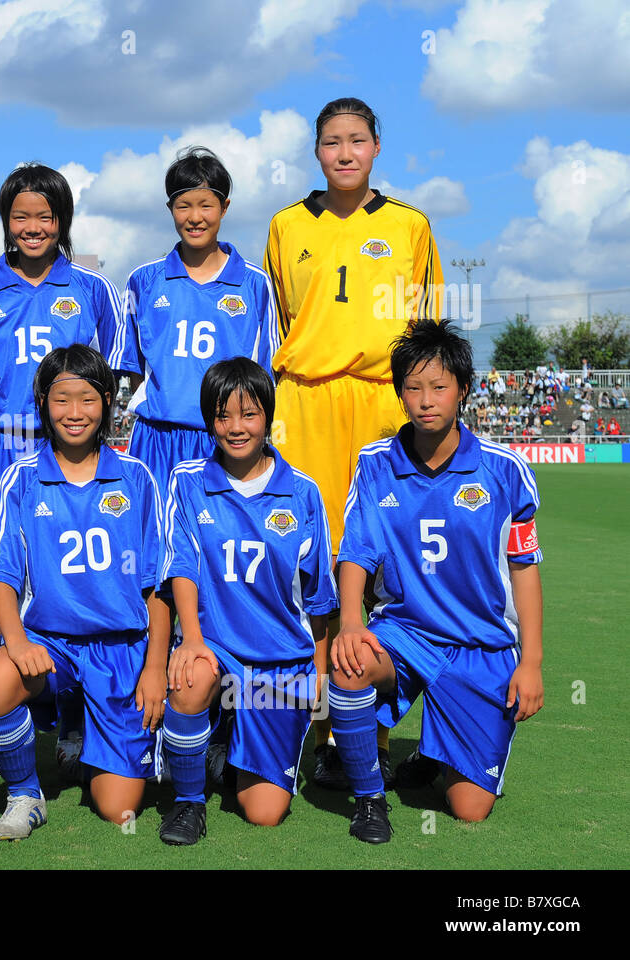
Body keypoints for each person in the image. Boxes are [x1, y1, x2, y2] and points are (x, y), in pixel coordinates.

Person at [262, 96, 443, 789]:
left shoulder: (410, 224)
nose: (344, 152)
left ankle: (362, 724)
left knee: (380, 562)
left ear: (376, 148)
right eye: (332, 141)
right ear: (316, 152)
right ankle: (311, 721)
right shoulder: (285, 225)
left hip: (377, 401)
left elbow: (426, 332)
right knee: (308, 562)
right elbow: (284, 318)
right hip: (304, 400)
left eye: (357, 140)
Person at [330, 319, 543, 843]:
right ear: (400, 393)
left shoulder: (505, 470)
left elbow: (524, 568)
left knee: (469, 809)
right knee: (351, 665)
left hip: (480, 644)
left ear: (463, 390)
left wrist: (532, 662)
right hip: (405, 632)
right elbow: (356, 550)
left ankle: (434, 753)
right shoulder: (375, 464)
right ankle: (370, 798)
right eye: (413, 387)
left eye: (440, 386)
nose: (426, 400)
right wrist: (351, 624)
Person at [0, 162, 130, 778]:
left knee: (74, 581)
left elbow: (113, 377)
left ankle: (75, 723)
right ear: (5, 221)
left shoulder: (92, 290)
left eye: (45, 216)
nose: (32, 227)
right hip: (2, 451)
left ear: (63, 223)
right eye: (20, 216)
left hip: (74, 452)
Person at [0, 344, 169, 839]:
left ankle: (92, 739)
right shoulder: (19, 477)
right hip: (50, 645)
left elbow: (158, 586)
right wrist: (14, 641)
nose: (74, 413)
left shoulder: (137, 475)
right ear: (41, 402)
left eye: (87, 399)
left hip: (121, 649)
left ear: (107, 403)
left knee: (117, 808)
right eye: (61, 400)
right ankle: (25, 793)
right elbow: (0, 573)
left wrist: (156, 667)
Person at [158, 358, 336, 843]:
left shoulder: (302, 492)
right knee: (192, 675)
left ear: (268, 417)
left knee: (263, 812)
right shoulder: (188, 480)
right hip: (216, 646)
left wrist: (319, 672)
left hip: (281, 662)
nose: (235, 428)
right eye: (222, 416)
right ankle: (189, 802)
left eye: (249, 414)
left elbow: (319, 597)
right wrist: (191, 640)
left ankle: (223, 747)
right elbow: (181, 565)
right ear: (208, 420)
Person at [122, 146, 278, 489]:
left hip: (224, 438)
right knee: (155, 535)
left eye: (206, 205)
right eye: (183, 206)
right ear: (170, 209)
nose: (195, 217)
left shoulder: (254, 284)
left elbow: (264, 371)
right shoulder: (144, 281)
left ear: (224, 208)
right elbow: (133, 368)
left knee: (220, 536)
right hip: (157, 438)